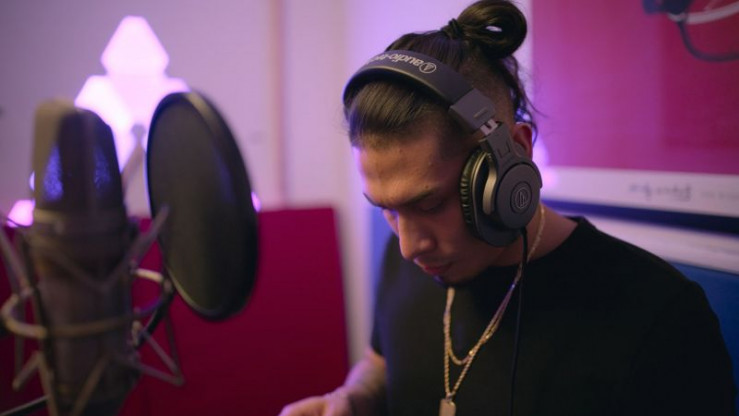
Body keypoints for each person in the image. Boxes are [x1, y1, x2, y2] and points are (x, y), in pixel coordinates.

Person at [278, 1, 737, 415]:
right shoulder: (403, 259)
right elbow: (381, 362)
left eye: (430, 203)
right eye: (388, 210)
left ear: (513, 156)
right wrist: (356, 396)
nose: (409, 246)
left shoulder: (660, 314)